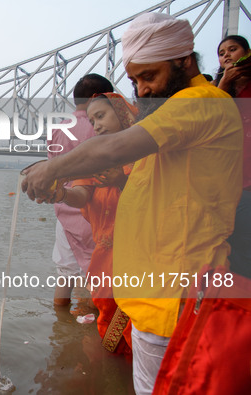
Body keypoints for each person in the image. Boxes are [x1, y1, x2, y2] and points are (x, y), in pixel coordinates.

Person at [21, 13, 242, 395]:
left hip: (174, 304)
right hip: (149, 300)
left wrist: (50, 169)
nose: (142, 90)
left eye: (150, 77)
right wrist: (61, 187)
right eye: (135, 80)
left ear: (185, 61)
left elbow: (114, 148)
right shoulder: (170, 121)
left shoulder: (200, 100)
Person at [54, 93, 138, 356]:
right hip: (105, 258)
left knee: (141, 328)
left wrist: (122, 180)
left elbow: (162, 198)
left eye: (101, 116)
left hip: (139, 257)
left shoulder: (147, 156)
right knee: (109, 331)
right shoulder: (96, 159)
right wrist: (60, 194)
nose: (96, 125)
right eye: (92, 120)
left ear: (123, 113)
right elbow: (81, 195)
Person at [48, 74, 113, 306]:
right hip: (96, 211)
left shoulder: (58, 129)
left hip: (64, 208)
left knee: (65, 272)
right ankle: (87, 332)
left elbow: (53, 168)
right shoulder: (103, 126)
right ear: (100, 97)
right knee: (94, 275)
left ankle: (61, 327)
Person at [215, 35, 251, 278]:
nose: (226, 55)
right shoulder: (217, 92)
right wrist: (225, 84)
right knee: (234, 254)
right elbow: (207, 120)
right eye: (221, 52)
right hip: (227, 186)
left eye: (233, 49)